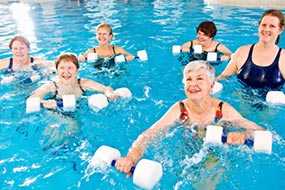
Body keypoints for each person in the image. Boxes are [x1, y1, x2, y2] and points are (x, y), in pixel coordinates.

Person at [115, 60, 263, 174]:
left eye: (199, 79)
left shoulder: (222, 110)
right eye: (188, 79)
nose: (193, 84)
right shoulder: (180, 109)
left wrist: (242, 136)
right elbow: (149, 134)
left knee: (209, 172)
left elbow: (260, 131)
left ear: (211, 85)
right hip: (187, 150)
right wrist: (131, 158)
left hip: (217, 151)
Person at [217, 9, 285, 89]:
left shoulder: (283, 57)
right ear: (258, 26)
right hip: (241, 100)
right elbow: (223, 77)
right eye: (263, 25)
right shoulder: (242, 52)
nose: (266, 29)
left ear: (280, 30)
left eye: (272, 26)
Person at [29, 53, 117, 110]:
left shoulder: (82, 84)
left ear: (77, 70)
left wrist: (110, 94)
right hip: (55, 113)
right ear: (57, 70)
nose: (66, 72)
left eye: (70, 68)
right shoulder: (52, 86)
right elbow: (32, 99)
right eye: (62, 68)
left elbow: (106, 89)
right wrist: (44, 103)